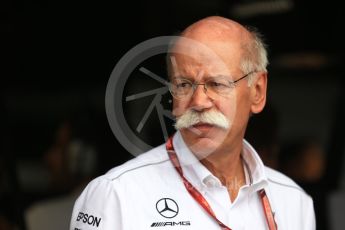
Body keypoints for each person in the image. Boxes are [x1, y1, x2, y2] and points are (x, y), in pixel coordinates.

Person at [70, 16, 315, 229]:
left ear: (258, 91)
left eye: (217, 84)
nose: (198, 101)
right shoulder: (116, 196)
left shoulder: (293, 201)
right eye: (183, 84)